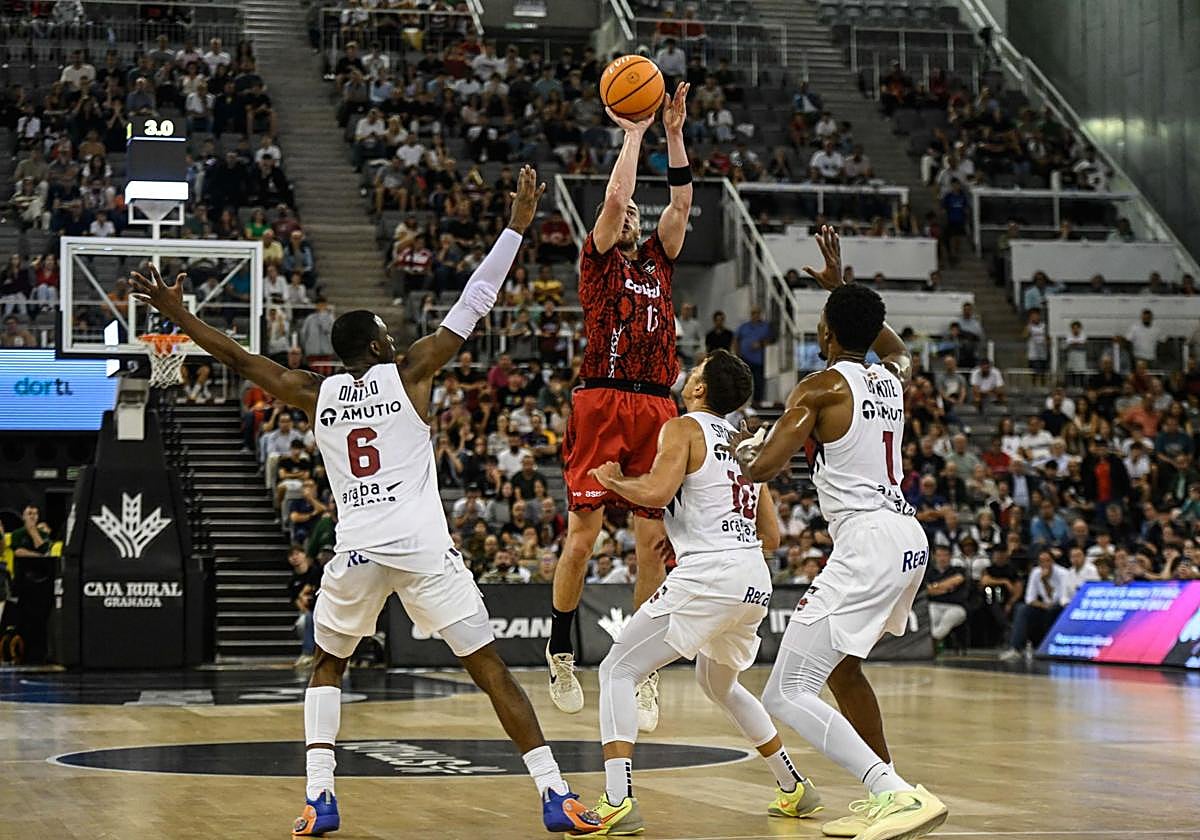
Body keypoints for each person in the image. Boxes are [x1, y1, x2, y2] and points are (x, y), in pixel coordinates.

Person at [129, 167, 603, 837]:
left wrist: (180, 318)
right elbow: (475, 299)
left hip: (355, 550)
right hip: (421, 548)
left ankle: (320, 798)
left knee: (327, 664)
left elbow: (241, 360)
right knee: (490, 669)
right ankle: (554, 794)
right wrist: (516, 227)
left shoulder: (313, 391)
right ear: (380, 344)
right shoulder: (412, 371)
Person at [736, 227, 948, 840]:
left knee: (784, 692)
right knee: (843, 670)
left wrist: (739, 445)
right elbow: (899, 347)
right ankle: (893, 787)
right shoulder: (893, 380)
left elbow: (763, 468)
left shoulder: (820, 386)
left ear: (826, 333)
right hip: (907, 538)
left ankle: (891, 792)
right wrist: (845, 289)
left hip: (870, 542)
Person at [587, 350, 820, 831]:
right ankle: (793, 785)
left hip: (711, 572)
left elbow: (653, 493)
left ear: (699, 391)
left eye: (693, 374)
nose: (687, 378)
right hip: (753, 576)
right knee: (719, 683)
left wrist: (615, 481)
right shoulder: (743, 442)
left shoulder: (683, 427)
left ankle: (617, 799)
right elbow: (772, 537)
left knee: (617, 669)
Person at [546, 82, 693, 731]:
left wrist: (673, 132)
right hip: (602, 402)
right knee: (581, 539)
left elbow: (683, 203)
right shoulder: (597, 265)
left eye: (637, 214)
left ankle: (639, 666)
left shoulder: (659, 261)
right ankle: (558, 648)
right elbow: (613, 197)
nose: (631, 215)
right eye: (626, 214)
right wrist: (631, 133)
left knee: (651, 544)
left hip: (657, 409)